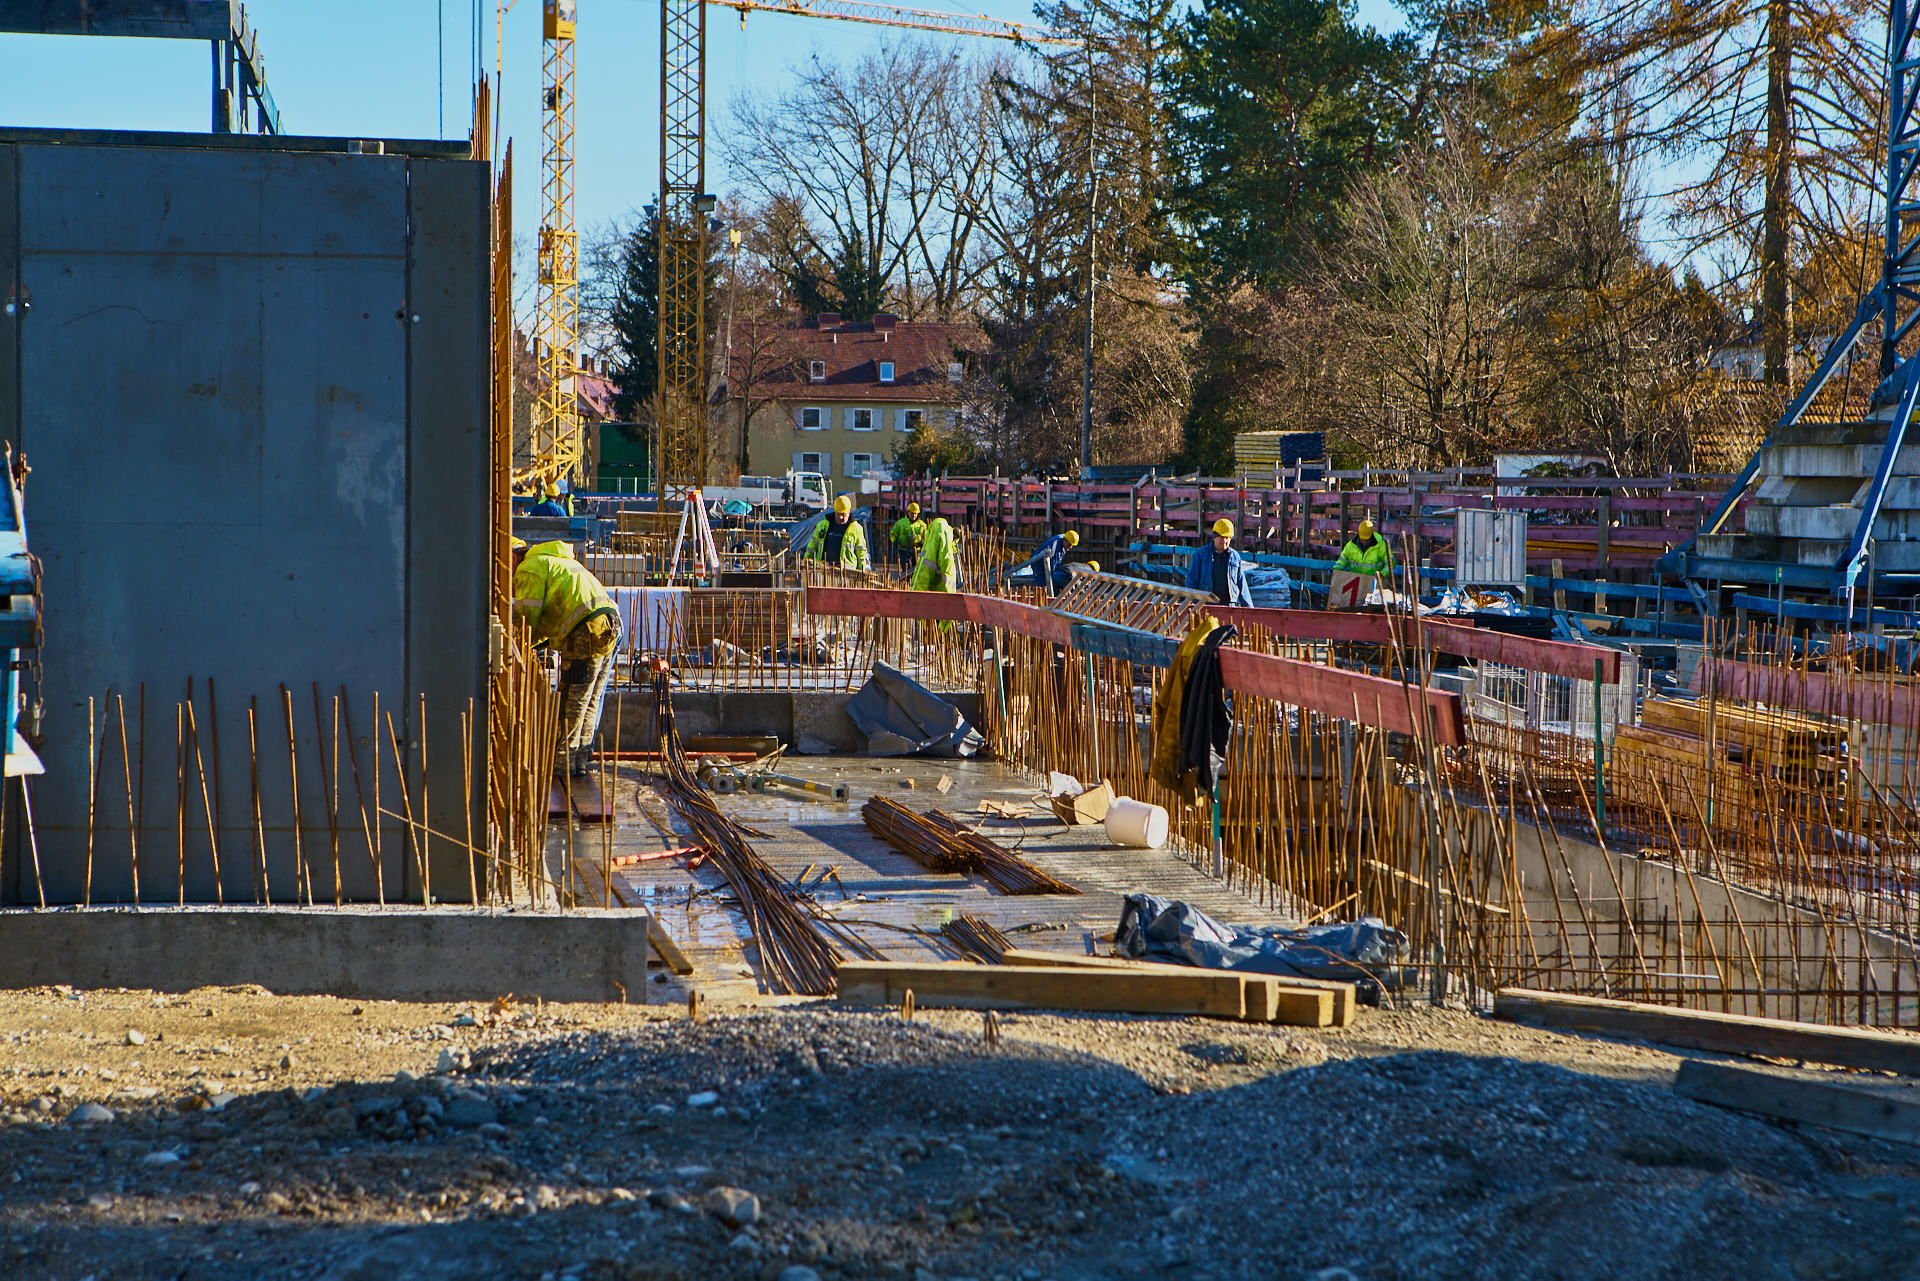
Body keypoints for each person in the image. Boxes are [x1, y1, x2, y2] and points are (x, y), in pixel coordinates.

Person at [512, 537, 621, 777]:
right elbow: (547, 622)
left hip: (586, 630)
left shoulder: (529, 568)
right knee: (589, 700)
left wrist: (516, 646)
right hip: (608, 625)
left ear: (512, 557)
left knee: (572, 701)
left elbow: (525, 619)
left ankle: (562, 765)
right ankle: (579, 761)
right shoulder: (553, 560)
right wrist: (533, 644)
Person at [1184, 518, 1253, 607]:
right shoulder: (1201, 555)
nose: (1224, 541)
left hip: (1229, 605)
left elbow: (1242, 585)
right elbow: (1192, 580)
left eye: (1227, 538)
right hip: (1206, 604)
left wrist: (1249, 608)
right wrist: (1190, 602)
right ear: (1214, 536)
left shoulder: (1235, 557)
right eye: (1221, 537)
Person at [804, 495, 871, 569]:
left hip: (847, 572)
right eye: (838, 514)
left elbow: (861, 553)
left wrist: (862, 571)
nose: (840, 517)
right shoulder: (822, 525)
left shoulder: (856, 529)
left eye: (843, 514)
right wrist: (806, 563)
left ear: (849, 512)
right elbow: (812, 547)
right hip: (824, 569)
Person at [911, 516, 959, 594]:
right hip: (943, 593)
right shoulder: (942, 533)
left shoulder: (936, 532)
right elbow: (945, 565)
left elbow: (925, 571)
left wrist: (916, 593)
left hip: (936, 593)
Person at [889, 502, 927, 569]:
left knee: (916, 570)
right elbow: (893, 534)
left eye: (915, 513)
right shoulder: (901, 523)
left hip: (917, 551)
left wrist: (923, 544)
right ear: (908, 512)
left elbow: (926, 537)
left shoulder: (922, 525)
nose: (914, 515)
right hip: (904, 550)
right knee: (906, 569)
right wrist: (894, 541)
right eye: (912, 513)